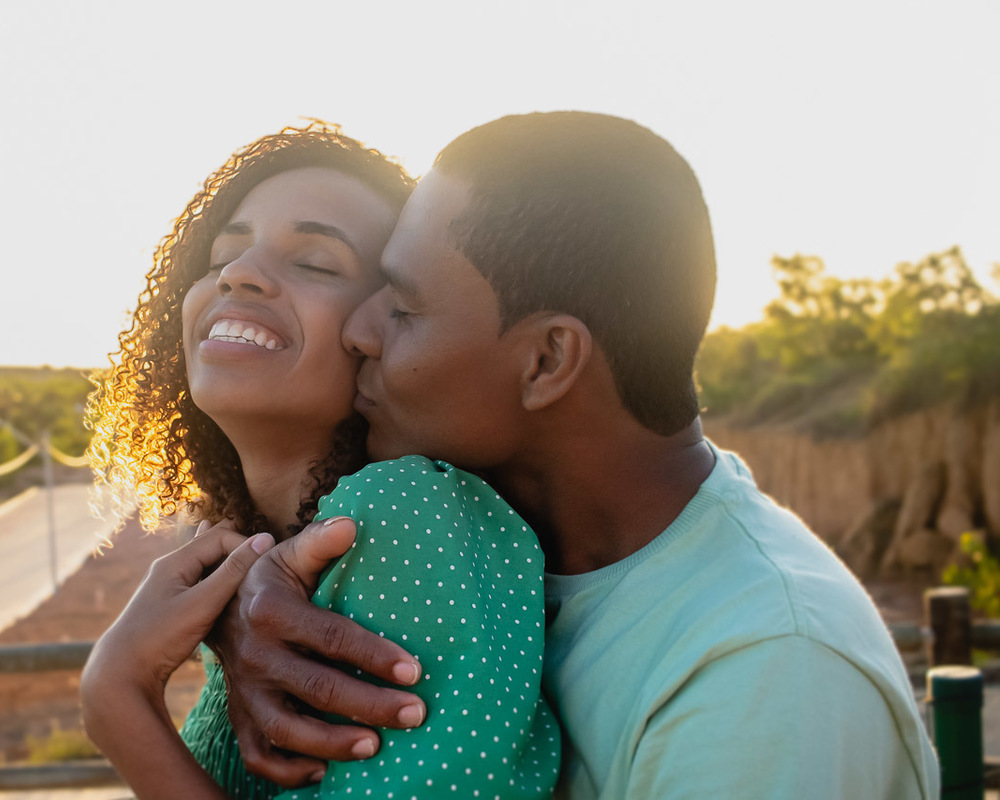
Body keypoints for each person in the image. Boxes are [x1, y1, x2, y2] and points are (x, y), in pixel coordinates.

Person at [196, 112, 941, 798]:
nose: (359, 331)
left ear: (547, 362)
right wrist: (240, 611)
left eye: (403, 305)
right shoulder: (475, 557)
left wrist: (120, 703)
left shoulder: (766, 675)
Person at [80, 124, 561, 800]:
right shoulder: (263, 566)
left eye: (316, 263)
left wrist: (118, 701)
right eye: (224, 254)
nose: (239, 274)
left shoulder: (404, 515)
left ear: (382, 329)